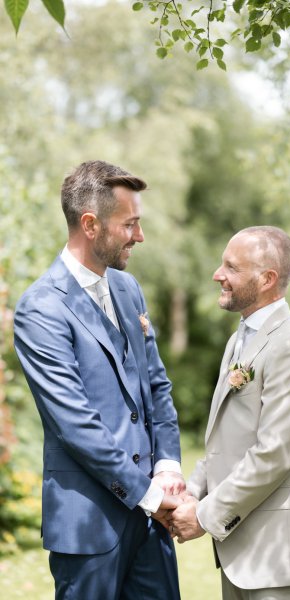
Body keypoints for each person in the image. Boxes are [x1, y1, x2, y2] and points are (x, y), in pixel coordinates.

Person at [14, 160, 185, 600]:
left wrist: (167, 465)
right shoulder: (41, 309)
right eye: (130, 224)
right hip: (88, 528)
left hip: (150, 524)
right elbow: (75, 423)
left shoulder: (130, 290)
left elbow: (156, 388)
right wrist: (147, 494)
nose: (140, 236)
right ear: (90, 225)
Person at [169, 226, 290, 600]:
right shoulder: (240, 339)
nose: (218, 274)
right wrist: (190, 492)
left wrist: (202, 516)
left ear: (267, 279)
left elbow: (273, 454)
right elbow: (227, 440)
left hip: (279, 556)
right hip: (241, 551)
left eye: (231, 267)